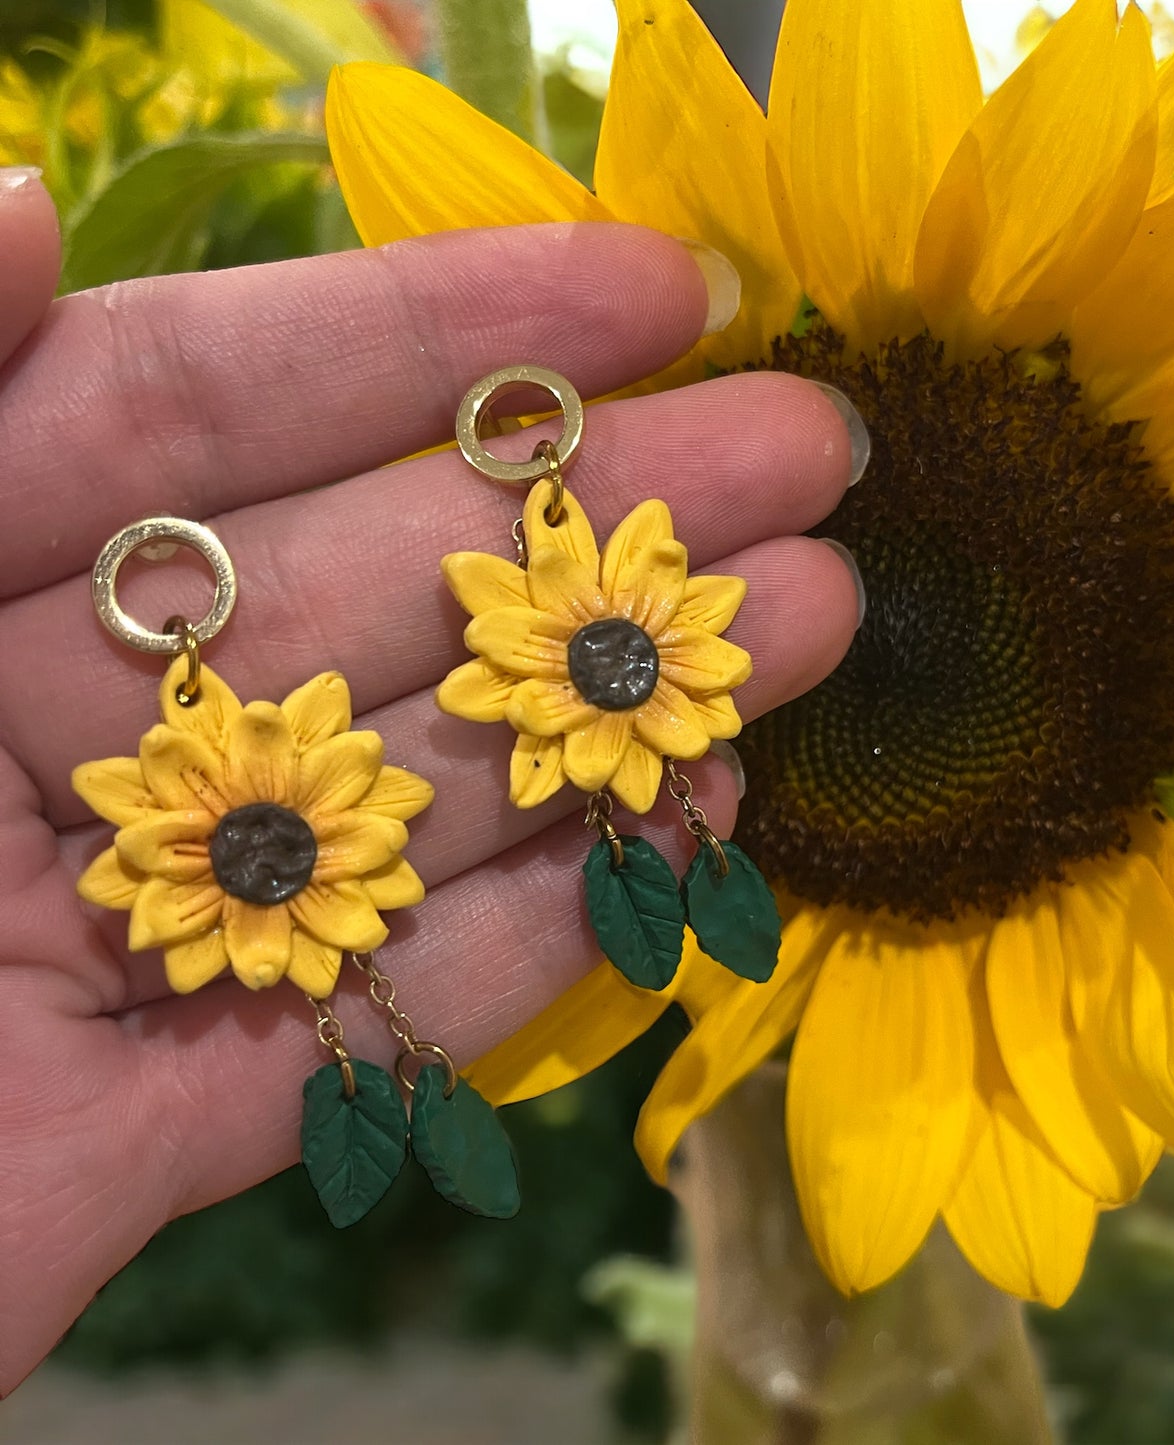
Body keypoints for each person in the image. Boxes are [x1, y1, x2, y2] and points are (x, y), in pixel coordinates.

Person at [0, 166, 865, 1392]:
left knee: (644, 833)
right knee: (365, 1006)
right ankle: (432, 1068)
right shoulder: (237, 785)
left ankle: (656, 901)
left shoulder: (590, 600)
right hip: (310, 824)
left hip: (583, 684)